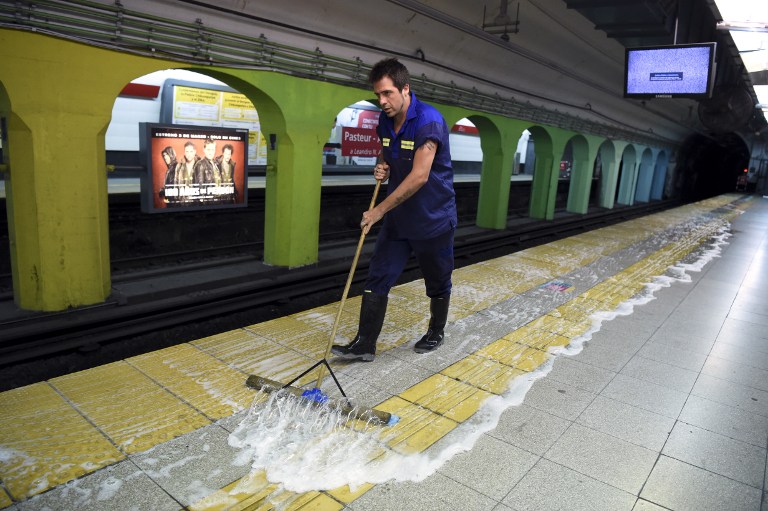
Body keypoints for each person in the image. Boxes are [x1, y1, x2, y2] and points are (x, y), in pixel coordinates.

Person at [332, 57, 457, 362]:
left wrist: (378, 211)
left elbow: (419, 176)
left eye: (387, 93)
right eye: (378, 95)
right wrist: (382, 168)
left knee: (437, 279)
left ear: (405, 89)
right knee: (379, 275)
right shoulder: (384, 120)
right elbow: (388, 152)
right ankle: (364, 343)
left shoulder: (429, 120)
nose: (382, 101)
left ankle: (436, 331)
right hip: (400, 220)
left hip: (433, 218)